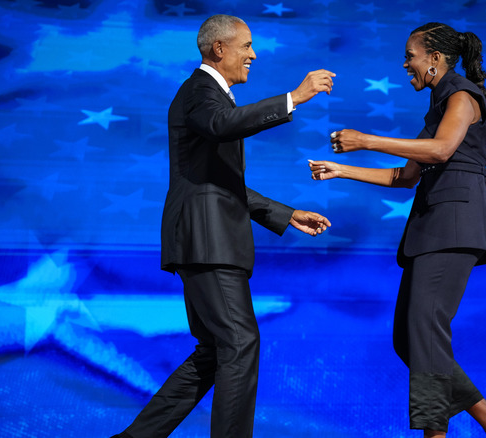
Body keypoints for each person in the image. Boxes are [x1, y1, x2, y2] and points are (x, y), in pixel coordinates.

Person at [110, 14, 335, 438]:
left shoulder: (214, 96)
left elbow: (220, 180)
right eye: (246, 45)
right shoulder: (200, 92)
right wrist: (294, 97)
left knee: (214, 353)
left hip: (207, 241)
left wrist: (285, 214)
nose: (254, 54)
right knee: (240, 343)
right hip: (207, 242)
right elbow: (221, 126)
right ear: (219, 49)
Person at [309, 23, 486, 438]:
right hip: (432, 228)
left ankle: (435, 432)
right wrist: (341, 169)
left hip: (455, 226)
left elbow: (442, 150)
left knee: (424, 329)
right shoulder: (438, 107)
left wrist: (366, 140)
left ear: (435, 59)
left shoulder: (461, 97)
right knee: (408, 339)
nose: (405, 62)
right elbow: (407, 177)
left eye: (411, 54)